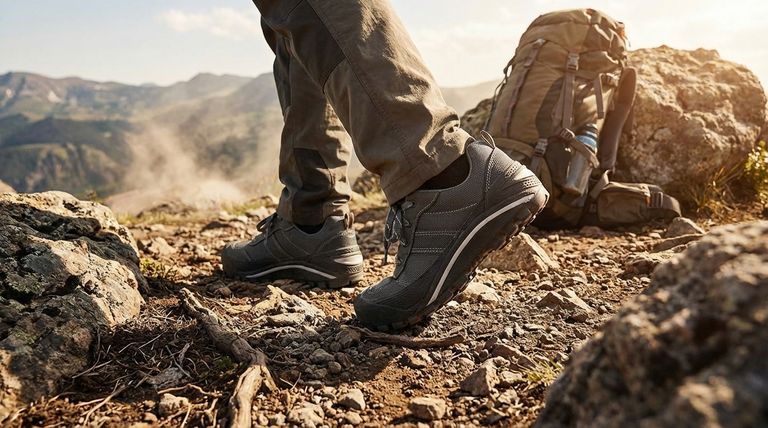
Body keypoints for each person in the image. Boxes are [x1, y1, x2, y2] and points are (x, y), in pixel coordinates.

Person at [221, 0, 548, 331]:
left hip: (435, 167)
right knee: (290, 20)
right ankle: (311, 219)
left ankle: (441, 176)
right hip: (311, 213)